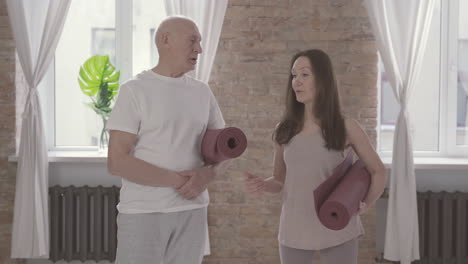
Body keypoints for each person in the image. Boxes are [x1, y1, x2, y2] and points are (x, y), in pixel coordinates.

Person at [244, 49, 387, 264]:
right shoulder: (284, 130)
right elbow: (279, 180)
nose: (296, 82)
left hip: (337, 226)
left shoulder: (346, 127)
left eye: (304, 74)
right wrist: (263, 185)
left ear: (323, 80)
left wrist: (366, 202)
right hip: (294, 228)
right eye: (294, 75)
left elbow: (378, 171)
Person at [106, 16, 230, 264]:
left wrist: (208, 175)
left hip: (192, 211)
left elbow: (225, 151)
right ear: (166, 40)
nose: (199, 49)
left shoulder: (202, 92)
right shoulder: (135, 90)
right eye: (192, 40)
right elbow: (117, 161)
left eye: (200, 42)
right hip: (144, 212)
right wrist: (181, 181)